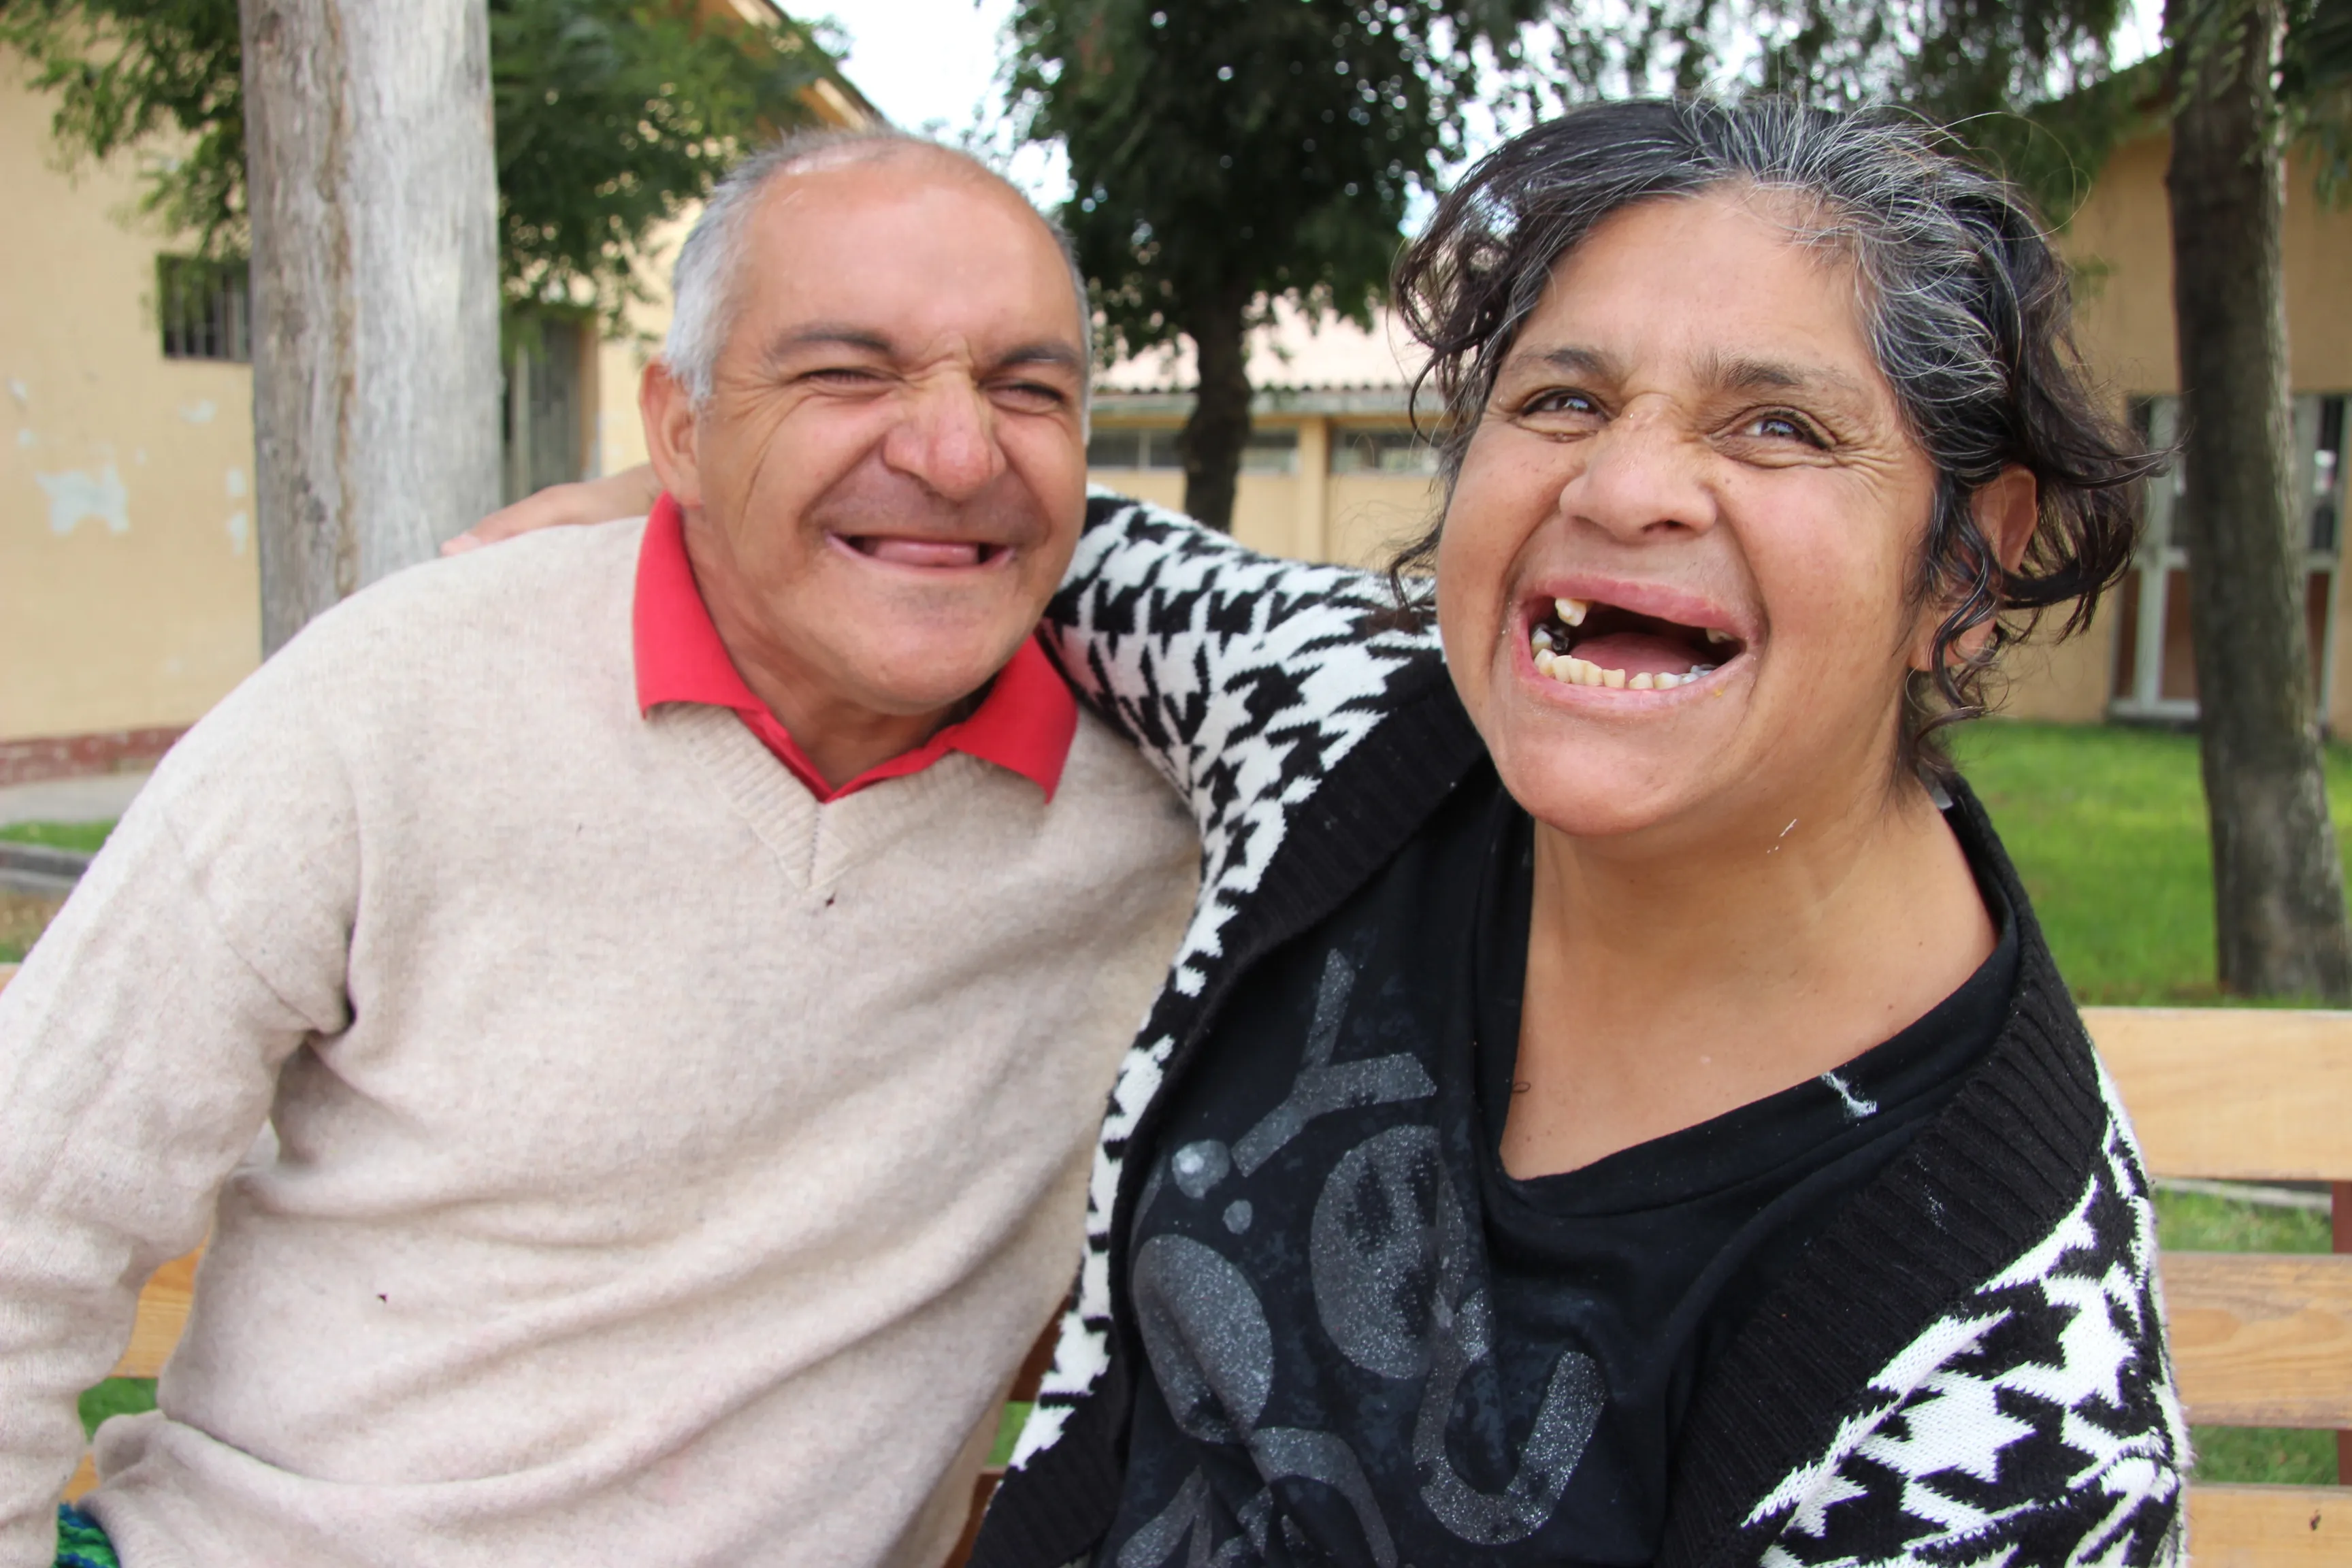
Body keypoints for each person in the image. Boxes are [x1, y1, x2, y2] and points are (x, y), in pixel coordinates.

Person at [466, 100, 2188, 1567]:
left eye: (1780, 427)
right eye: (1563, 402)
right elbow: (1054, 543)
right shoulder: (1361, 732)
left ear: (1962, 575)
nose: (1625, 487)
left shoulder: (2005, 1364)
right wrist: (713, 479)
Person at [0, 130, 1200, 1568]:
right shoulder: (399, 694)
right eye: (844, 374)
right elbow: (28, 1208)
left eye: (1029, 390)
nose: (955, 451)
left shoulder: (1173, 831)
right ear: (679, 428)